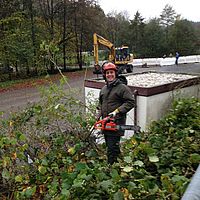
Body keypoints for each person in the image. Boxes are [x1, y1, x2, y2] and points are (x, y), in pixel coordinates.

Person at [98, 62, 135, 165]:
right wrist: (98, 116)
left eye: (111, 72)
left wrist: (117, 111)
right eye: (107, 73)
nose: (109, 75)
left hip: (116, 123)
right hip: (105, 124)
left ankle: (111, 169)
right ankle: (120, 164)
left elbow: (131, 102)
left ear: (115, 73)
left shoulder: (122, 88)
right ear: (104, 75)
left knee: (111, 149)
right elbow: (101, 104)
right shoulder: (104, 89)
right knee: (112, 147)